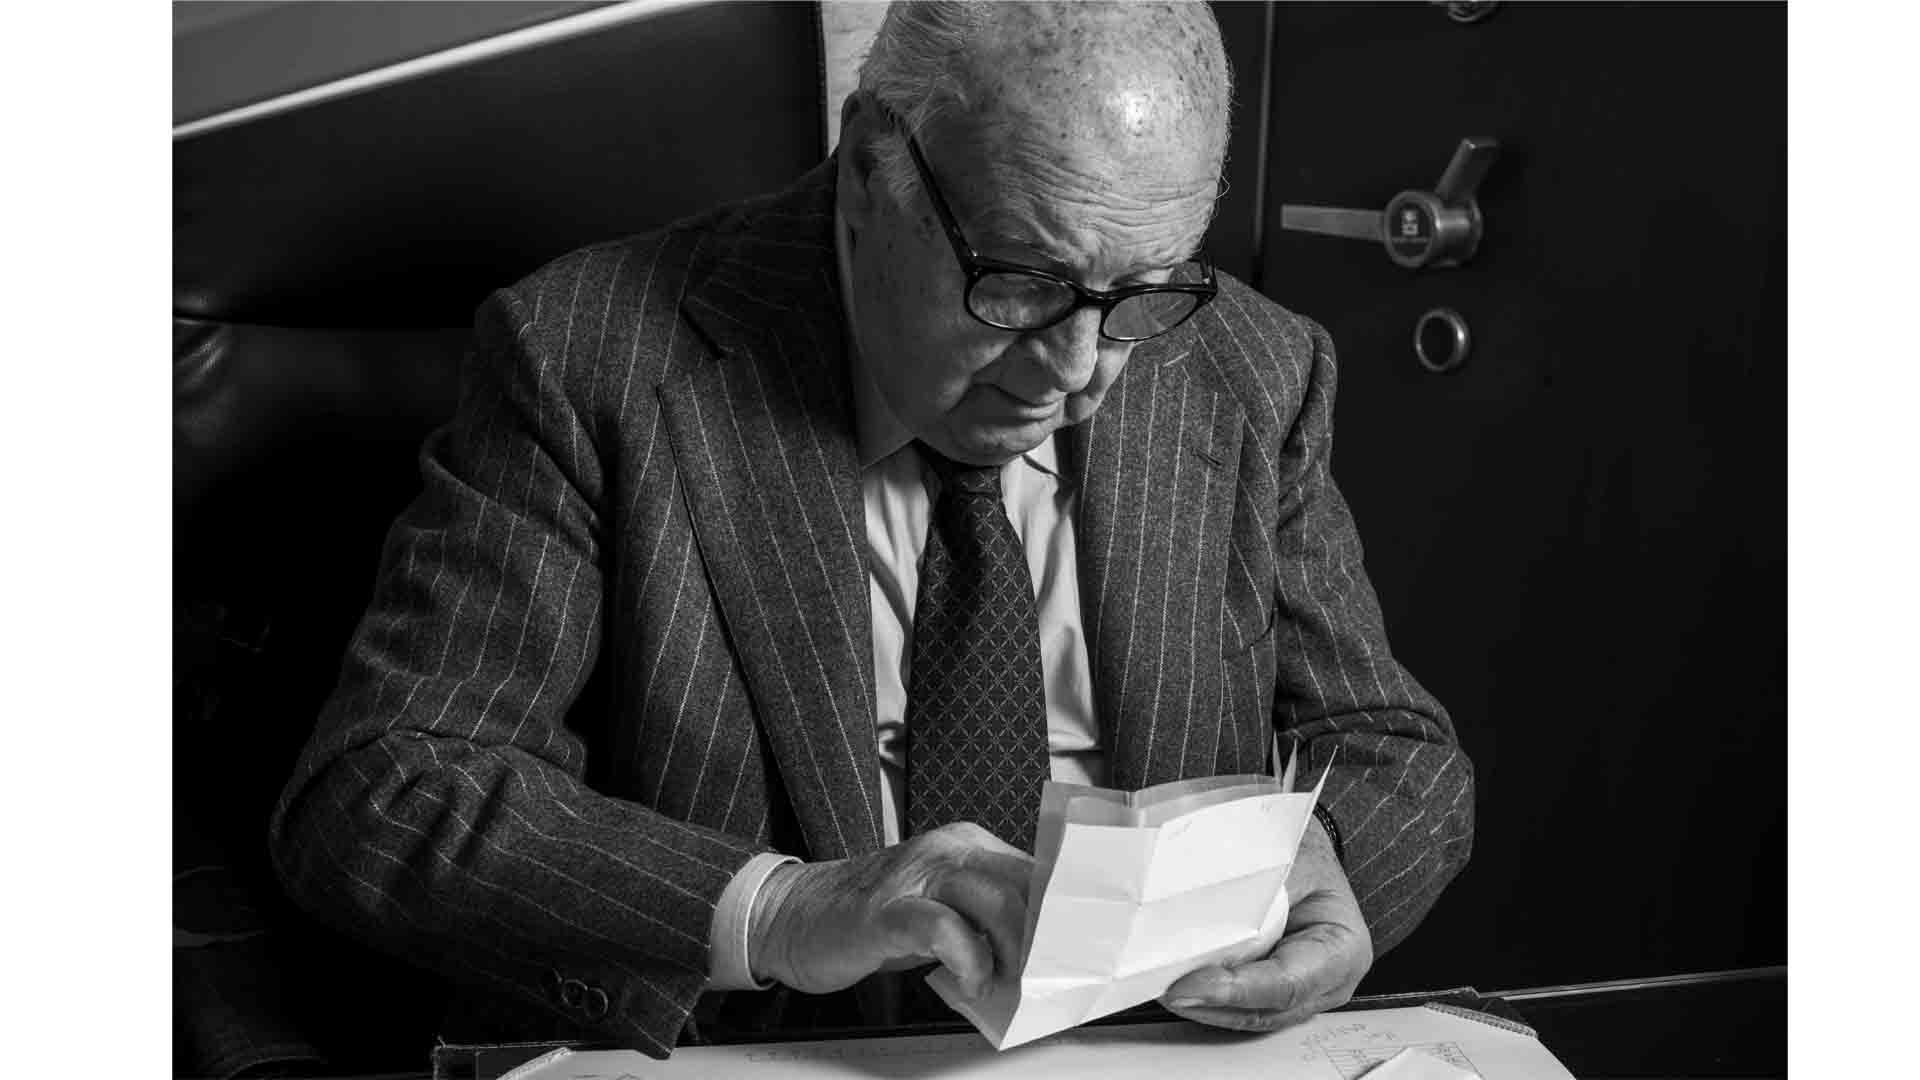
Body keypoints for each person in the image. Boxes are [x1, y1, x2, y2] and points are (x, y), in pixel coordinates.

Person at [271, 0, 1473, 1059]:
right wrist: (784, 911)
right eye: (1019, 281)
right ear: (867, 172)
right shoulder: (587, 358)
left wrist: (1323, 862)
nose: (1077, 370)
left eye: (1143, 293)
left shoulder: (1253, 368)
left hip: (1144, 1049)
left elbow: (1391, 749)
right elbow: (384, 789)